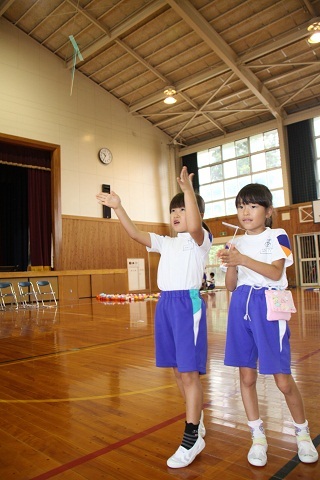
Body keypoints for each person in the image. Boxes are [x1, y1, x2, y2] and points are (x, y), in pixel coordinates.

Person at [96, 166, 213, 468]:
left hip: (187, 305)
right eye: (173, 211)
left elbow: (196, 223)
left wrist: (188, 190)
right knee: (177, 372)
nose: (176, 215)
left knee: (189, 373)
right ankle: (196, 420)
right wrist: (119, 207)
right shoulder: (166, 242)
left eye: (182, 210)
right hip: (165, 305)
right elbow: (135, 233)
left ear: (195, 213)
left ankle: (191, 436)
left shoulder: (201, 240)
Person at [217, 183, 318, 467]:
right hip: (240, 306)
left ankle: (302, 434)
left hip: (270, 305)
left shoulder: (278, 235)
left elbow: (276, 273)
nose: (245, 212)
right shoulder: (233, 242)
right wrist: (231, 262)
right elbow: (230, 285)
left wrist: (242, 258)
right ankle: (257, 437)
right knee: (246, 378)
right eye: (240, 206)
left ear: (268, 210)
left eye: (252, 206)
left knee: (282, 379)